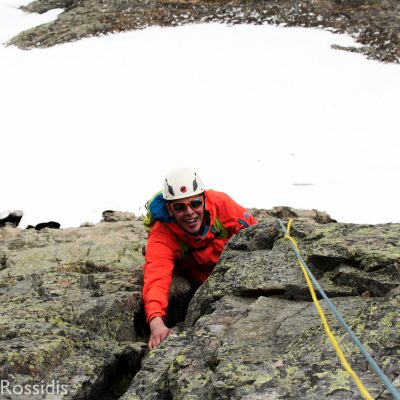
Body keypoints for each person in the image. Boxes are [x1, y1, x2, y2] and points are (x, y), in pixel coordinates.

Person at [142, 167, 257, 349]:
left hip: (228, 269)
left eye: (195, 203)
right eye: (179, 207)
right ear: (169, 209)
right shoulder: (162, 234)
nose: (189, 212)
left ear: (203, 199)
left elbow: (254, 232)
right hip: (195, 277)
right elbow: (156, 277)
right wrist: (156, 324)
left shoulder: (221, 204)